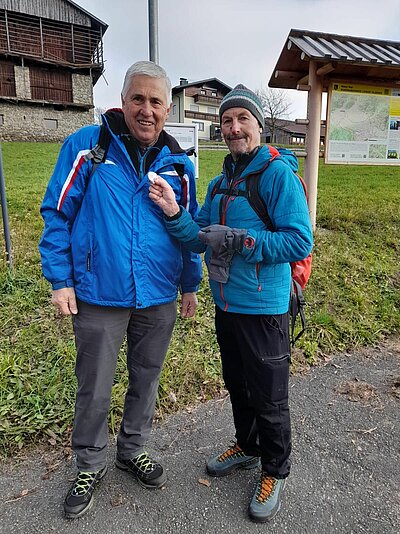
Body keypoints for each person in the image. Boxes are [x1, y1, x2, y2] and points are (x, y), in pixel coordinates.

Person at [39, 61, 202, 519]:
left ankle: (133, 449)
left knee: (146, 379)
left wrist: (190, 284)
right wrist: (61, 279)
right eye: (138, 99)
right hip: (98, 293)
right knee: (93, 387)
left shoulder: (179, 165)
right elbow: (57, 214)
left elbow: (186, 230)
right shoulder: (88, 148)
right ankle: (90, 463)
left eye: (155, 102)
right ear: (123, 100)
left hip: (157, 296)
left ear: (167, 108)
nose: (146, 110)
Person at [149, 84, 313, 523]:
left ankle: (274, 470)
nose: (234, 127)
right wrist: (171, 209)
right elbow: (197, 236)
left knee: (270, 396)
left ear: (258, 125)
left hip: (265, 307)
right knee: (237, 384)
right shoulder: (221, 182)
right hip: (227, 306)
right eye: (226, 120)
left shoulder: (277, 176)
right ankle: (247, 444)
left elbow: (300, 239)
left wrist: (242, 240)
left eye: (242, 119)